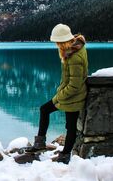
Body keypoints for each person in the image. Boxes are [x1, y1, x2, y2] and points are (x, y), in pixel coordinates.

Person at [28, 24, 88, 164]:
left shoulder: (74, 57)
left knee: (70, 126)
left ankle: (65, 155)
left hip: (74, 96)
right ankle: (40, 143)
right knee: (45, 110)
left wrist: (58, 96)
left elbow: (74, 85)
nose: (56, 45)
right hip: (69, 95)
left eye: (58, 42)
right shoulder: (74, 49)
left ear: (64, 41)